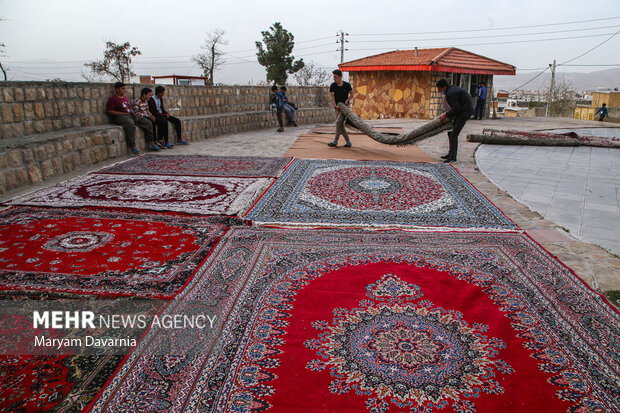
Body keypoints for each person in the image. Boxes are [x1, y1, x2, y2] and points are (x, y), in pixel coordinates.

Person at [106, 82, 158, 154]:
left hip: (131, 114)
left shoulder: (125, 98)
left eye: (125, 89)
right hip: (121, 116)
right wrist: (122, 113)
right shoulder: (113, 99)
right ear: (117, 89)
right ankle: (132, 146)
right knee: (130, 124)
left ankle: (151, 142)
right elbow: (110, 111)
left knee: (147, 122)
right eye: (122, 89)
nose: (124, 90)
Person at [436, 78, 474, 163]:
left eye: (439, 89)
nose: (438, 91)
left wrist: (446, 114)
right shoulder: (451, 90)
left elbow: (457, 108)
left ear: (444, 87)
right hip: (461, 112)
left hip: (464, 113)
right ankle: (450, 153)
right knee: (450, 132)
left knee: (454, 134)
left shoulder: (451, 93)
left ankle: (453, 157)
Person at [328, 69, 353, 148]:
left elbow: (352, 94)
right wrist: (335, 105)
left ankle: (335, 141)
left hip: (344, 108)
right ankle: (348, 141)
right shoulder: (333, 86)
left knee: (338, 122)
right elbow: (332, 97)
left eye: (335, 77)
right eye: (333, 77)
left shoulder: (347, 85)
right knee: (340, 125)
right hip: (337, 107)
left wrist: (348, 100)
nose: (334, 78)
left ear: (340, 77)